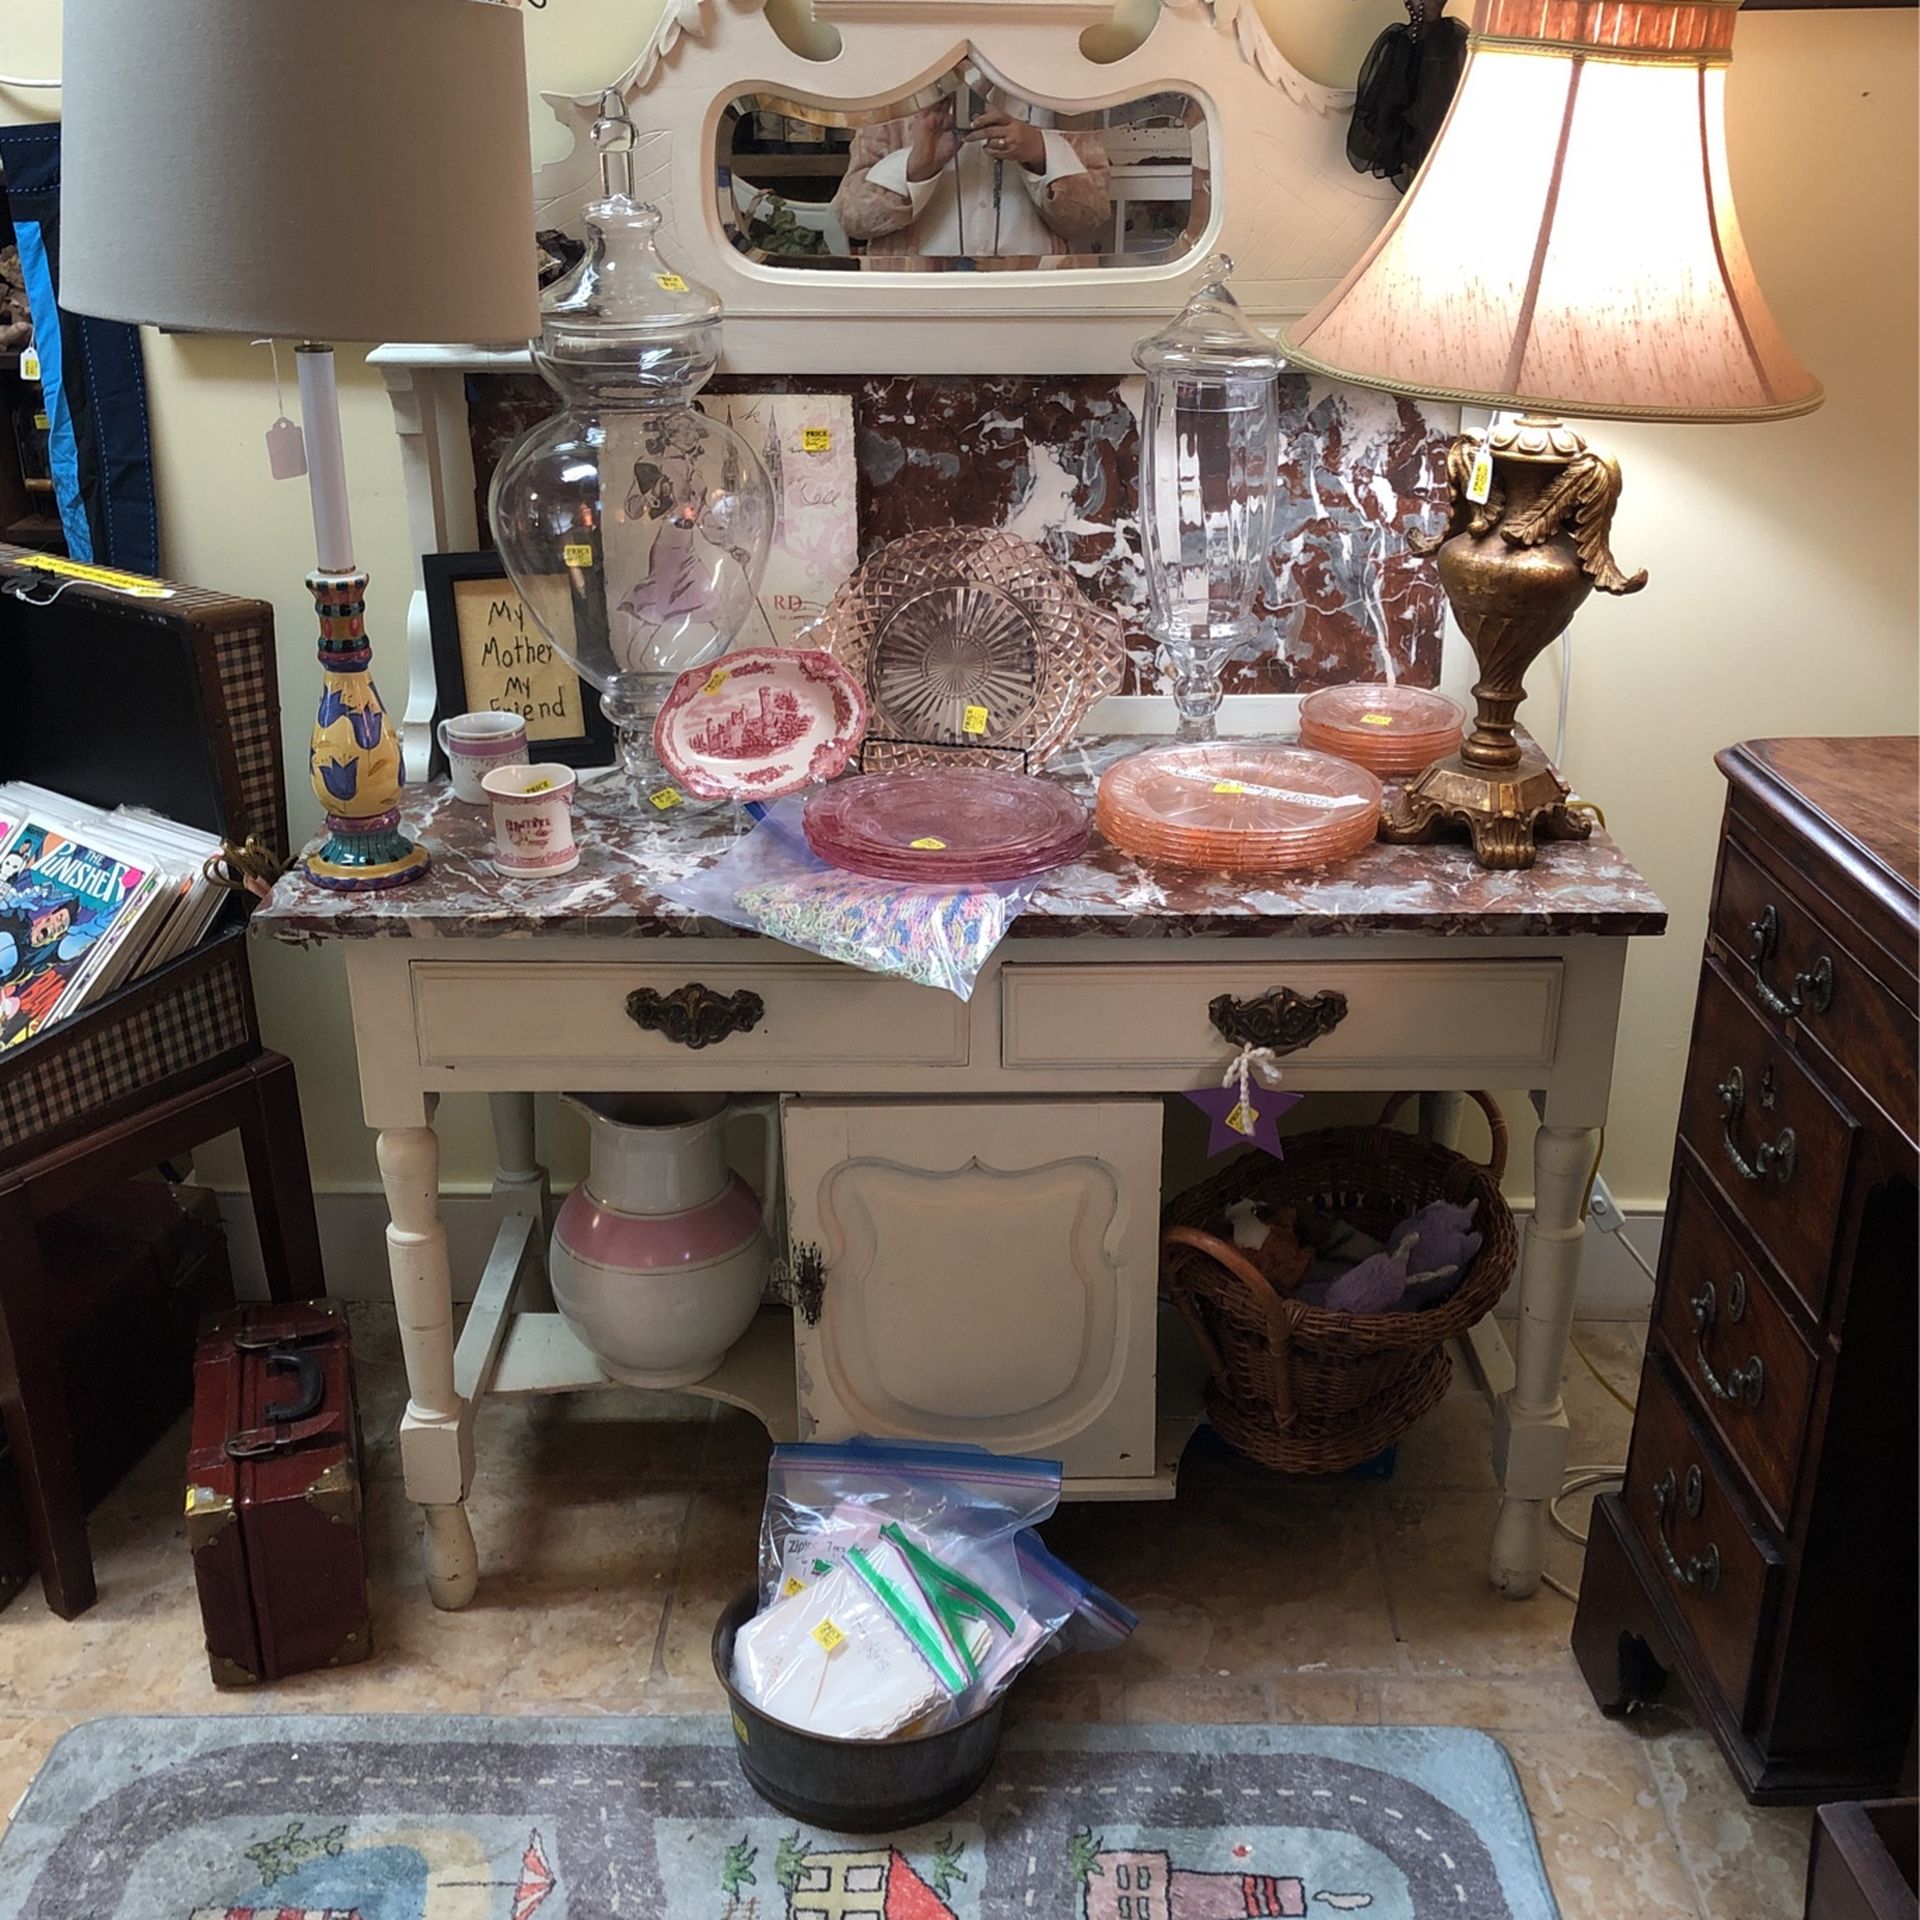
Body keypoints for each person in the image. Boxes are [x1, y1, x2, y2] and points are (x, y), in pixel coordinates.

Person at [833, 94, 1110, 262]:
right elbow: (852, 219)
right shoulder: (898, 100)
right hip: (916, 302)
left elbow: (1091, 216)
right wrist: (916, 168)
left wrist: (1039, 151)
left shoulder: (1062, 97)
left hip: (1032, 299)